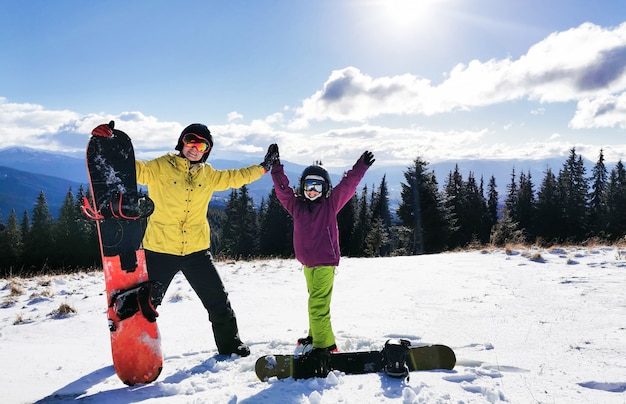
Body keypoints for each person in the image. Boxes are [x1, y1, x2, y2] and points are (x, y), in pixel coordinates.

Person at [122, 122, 277, 357]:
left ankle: (231, 346)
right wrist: (110, 149)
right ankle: (132, 349)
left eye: (202, 144)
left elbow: (236, 177)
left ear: (207, 150)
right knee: (147, 304)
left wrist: (264, 167)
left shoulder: (209, 174)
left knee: (218, 301)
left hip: (196, 251)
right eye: (190, 141)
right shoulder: (161, 166)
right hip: (160, 249)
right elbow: (136, 170)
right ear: (182, 142)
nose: (195, 148)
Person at [269, 146, 375, 372]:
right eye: (309, 185)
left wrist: (361, 167)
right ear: (303, 187)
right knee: (314, 301)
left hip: (325, 263)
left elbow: (348, 185)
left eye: (318, 186)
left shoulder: (330, 205)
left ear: (325, 189)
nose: (313, 190)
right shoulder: (296, 206)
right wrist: (276, 168)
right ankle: (314, 334)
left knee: (318, 304)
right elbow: (283, 191)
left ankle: (325, 345)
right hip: (307, 264)